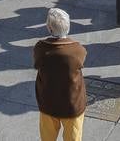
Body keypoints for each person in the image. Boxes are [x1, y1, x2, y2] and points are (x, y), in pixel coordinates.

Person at [33, 7, 87, 141]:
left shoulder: (41, 48)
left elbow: (37, 64)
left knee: (47, 137)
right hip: (72, 104)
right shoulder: (77, 50)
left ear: (50, 28)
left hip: (48, 102)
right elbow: (81, 61)